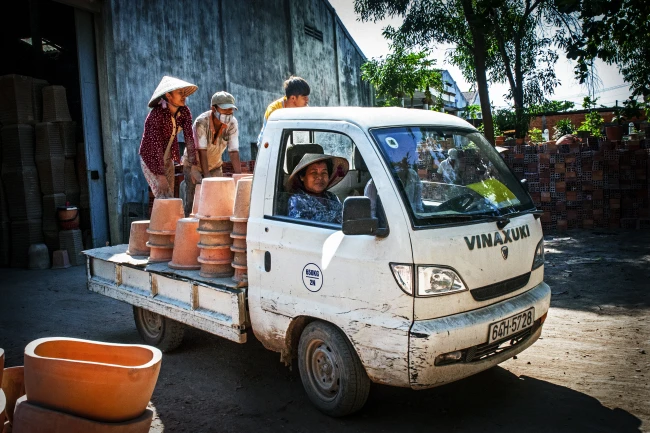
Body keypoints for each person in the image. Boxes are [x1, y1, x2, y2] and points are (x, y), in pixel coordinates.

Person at [182, 91, 242, 216]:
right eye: (225, 110)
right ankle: (189, 231)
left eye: (231, 110)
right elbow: (202, 151)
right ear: (213, 108)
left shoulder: (232, 123)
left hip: (215, 165)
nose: (228, 114)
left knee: (216, 203)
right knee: (193, 204)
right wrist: (207, 178)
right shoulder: (201, 123)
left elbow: (234, 151)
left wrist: (239, 178)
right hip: (194, 166)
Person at [139, 76, 199, 198]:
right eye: (180, 93)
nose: (184, 96)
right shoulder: (156, 115)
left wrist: (193, 165)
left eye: (184, 93)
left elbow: (189, 138)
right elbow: (155, 148)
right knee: (162, 196)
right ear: (168, 95)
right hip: (151, 159)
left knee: (170, 196)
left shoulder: (185, 112)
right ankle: (159, 217)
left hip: (167, 159)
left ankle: (168, 217)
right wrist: (160, 176)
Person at [286, 153, 349, 224]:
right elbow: (301, 231)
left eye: (324, 173)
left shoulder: (332, 197)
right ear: (302, 177)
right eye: (314, 172)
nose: (320, 177)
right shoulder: (297, 201)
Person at [257, 76, 310, 146]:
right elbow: (268, 142)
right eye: (304, 97)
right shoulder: (274, 112)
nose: (307, 100)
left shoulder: (305, 110)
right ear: (293, 98)